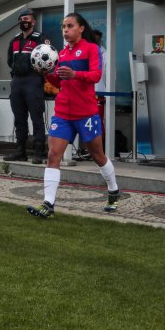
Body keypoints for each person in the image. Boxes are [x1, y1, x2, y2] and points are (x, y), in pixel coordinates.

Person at [25, 13, 120, 218]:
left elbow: (96, 75)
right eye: (63, 27)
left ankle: (113, 189)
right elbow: (59, 82)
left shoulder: (91, 49)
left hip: (85, 113)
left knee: (97, 156)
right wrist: (46, 73)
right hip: (63, 113)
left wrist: (76, 74)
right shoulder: (62, 53)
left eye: (69, 26)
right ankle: (48, 204)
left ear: (81, 28)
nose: (65, 30)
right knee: (53, 156)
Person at [4, 9, 48, 164]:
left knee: (36, 117)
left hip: (33, 80)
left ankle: (39, 151)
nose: (24, 21)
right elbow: (10, 60)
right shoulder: (14, 40)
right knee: (19, 118)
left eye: (27, 18)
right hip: (17, 81)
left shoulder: (40, 38)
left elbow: (47, 58)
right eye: (21, 19)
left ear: (33, 21)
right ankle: (20, 150)